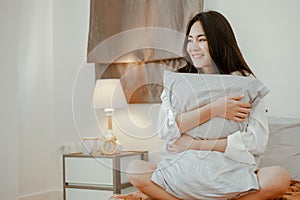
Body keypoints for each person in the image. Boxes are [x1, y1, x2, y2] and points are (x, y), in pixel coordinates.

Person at [114, 11, 291, 200]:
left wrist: (195, 144)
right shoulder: (178, 82)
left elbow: (256, 142)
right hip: (182, 175)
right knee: (135, 169)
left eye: (201, 39)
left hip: (230, 176)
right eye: (190, 40)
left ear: (219, 41)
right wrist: (215, 109)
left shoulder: (246, 85)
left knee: (279, 177)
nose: (193, 47)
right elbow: (166, 130)